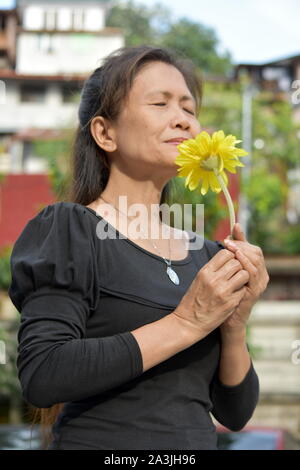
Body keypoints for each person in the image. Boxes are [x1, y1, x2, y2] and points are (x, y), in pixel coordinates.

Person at [8, 45, 269, 450]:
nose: (182, 120)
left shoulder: (209, 255)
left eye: (188, 108)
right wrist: (186, 323)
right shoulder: (69, 230)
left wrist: (234, 325)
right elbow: (43, 374)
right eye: (160, 103)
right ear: (105, 133)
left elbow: (235, 413)